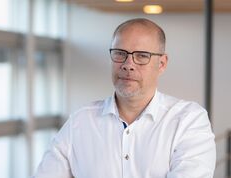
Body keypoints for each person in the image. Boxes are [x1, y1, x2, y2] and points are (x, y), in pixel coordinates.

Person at [33, 18, 216, 178]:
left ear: (161, 64)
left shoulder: (188, 120)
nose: (128, 65)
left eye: (142, 56)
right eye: (120, 53)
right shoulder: (80, 122)